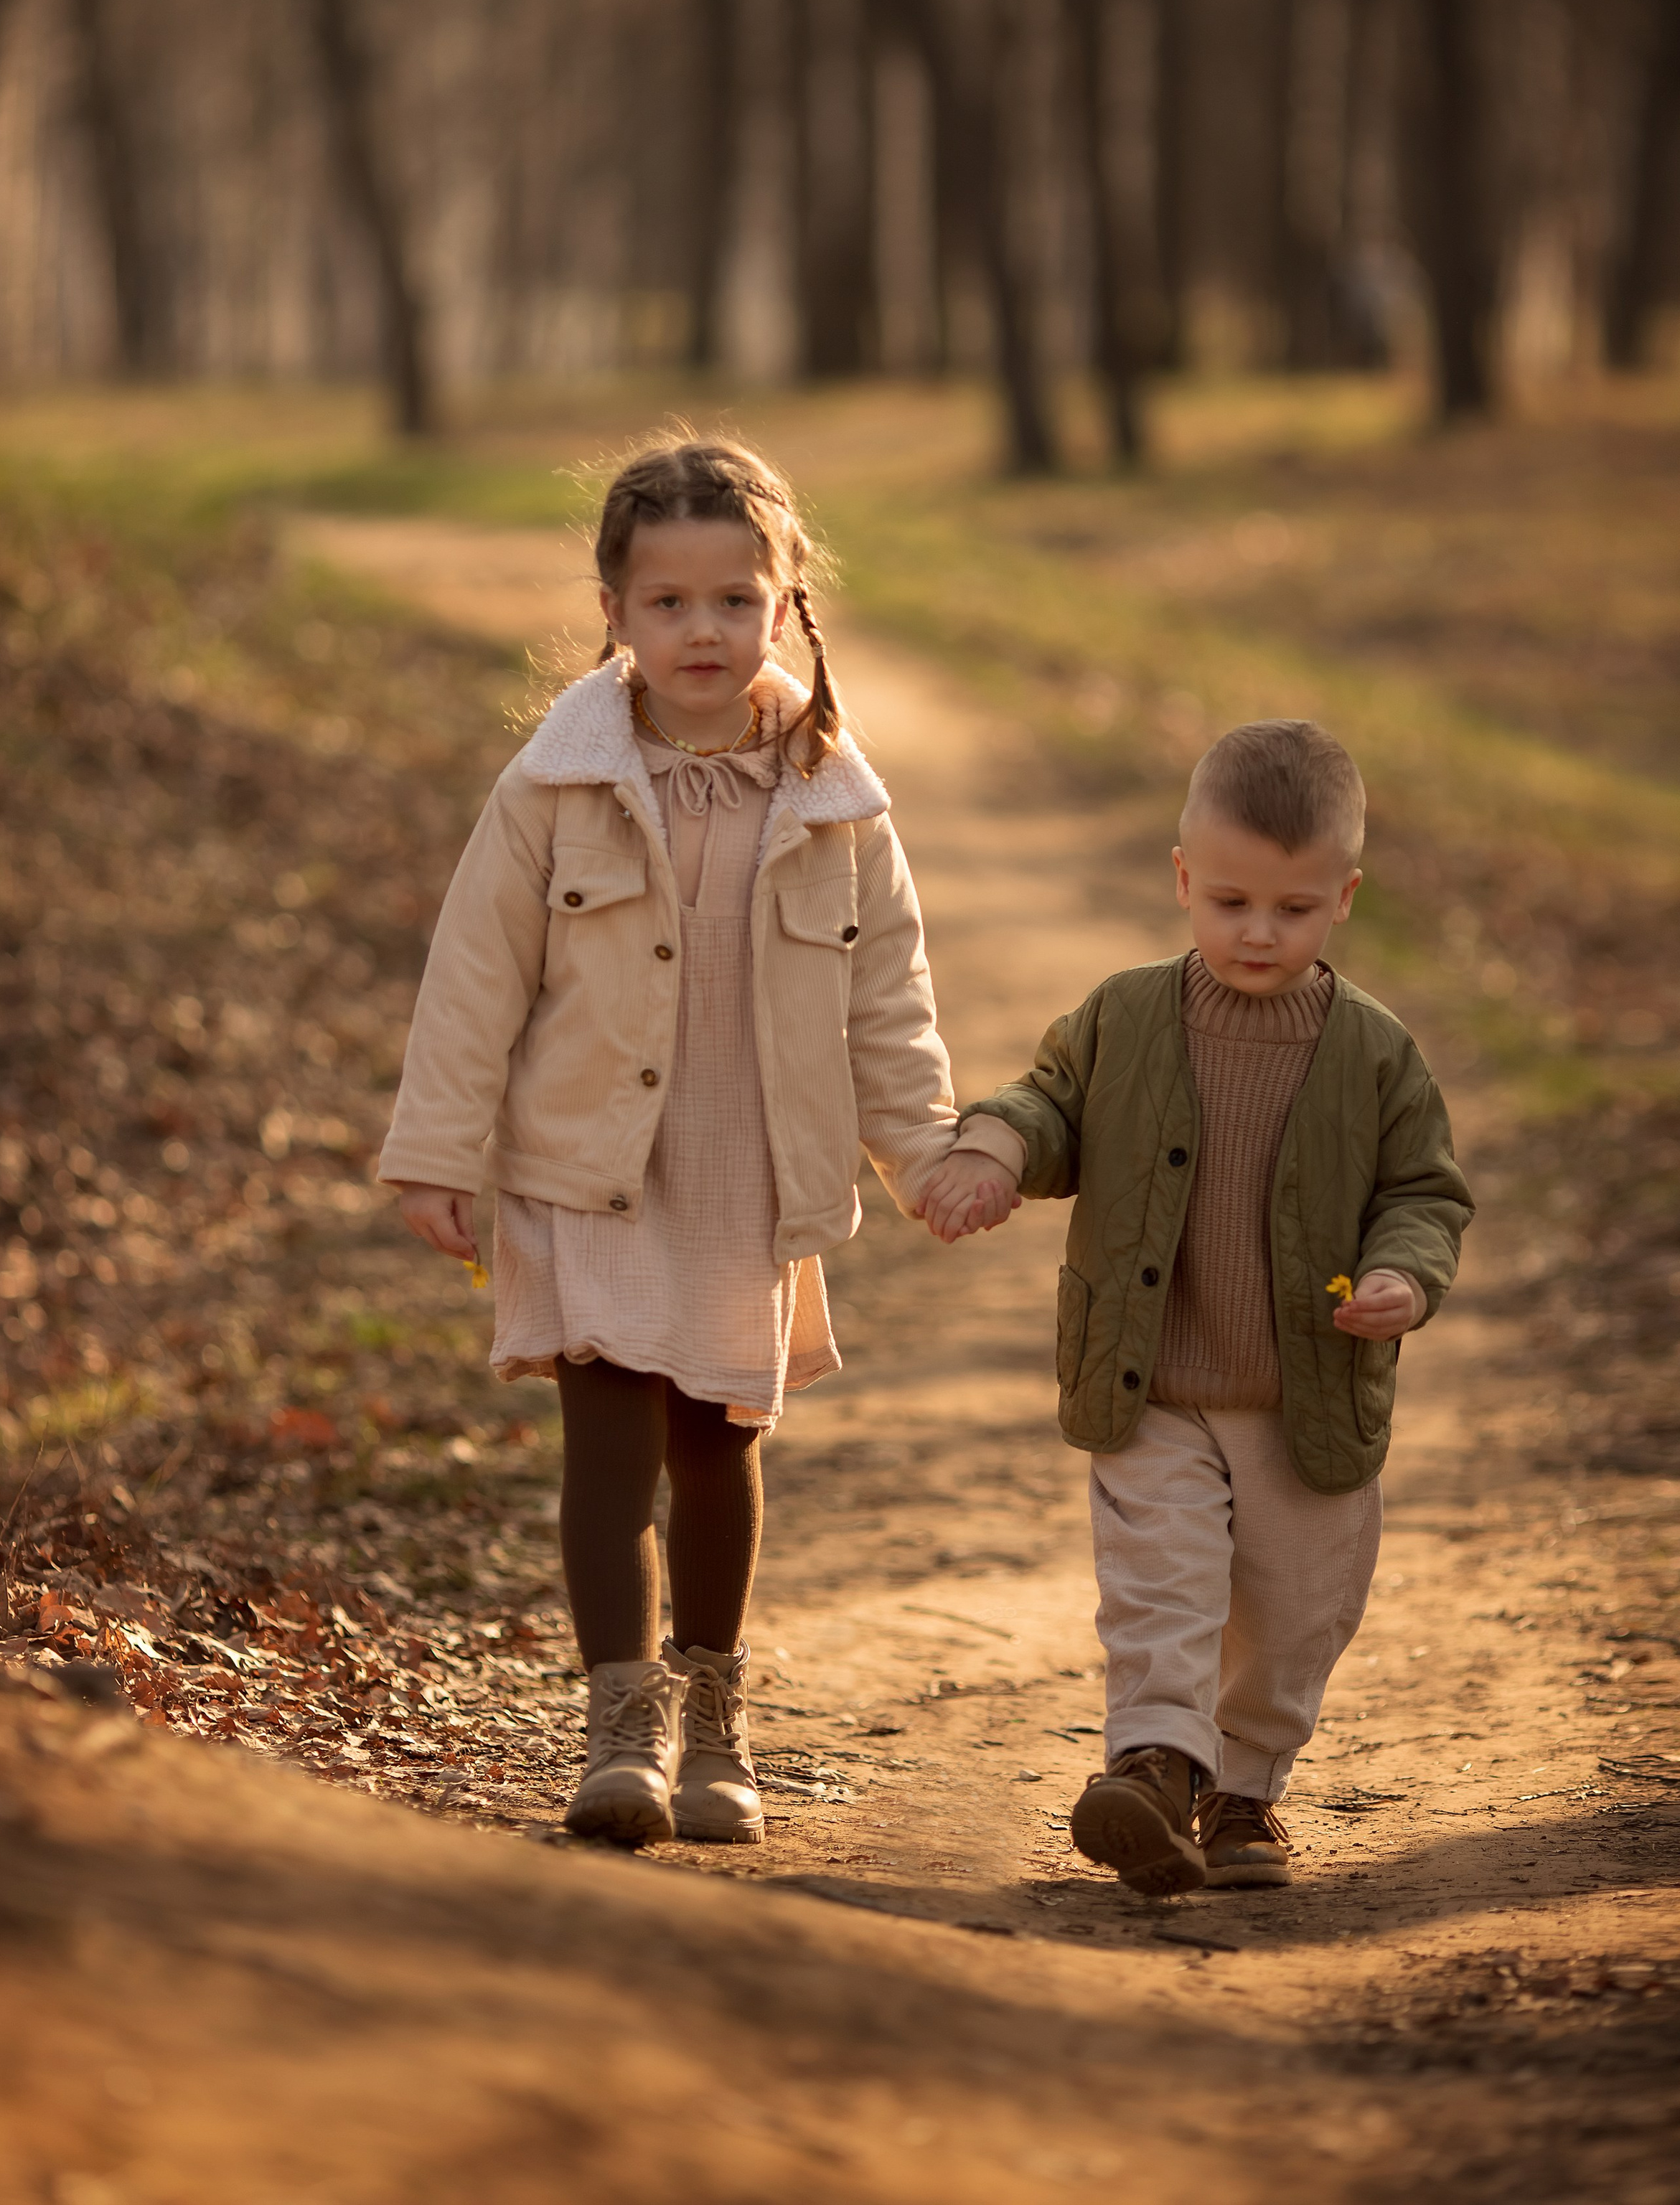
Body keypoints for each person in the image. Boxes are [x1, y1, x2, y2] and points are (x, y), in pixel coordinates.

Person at [380, 436, 959, 1850]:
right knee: (605, 1441)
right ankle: (618, 1724)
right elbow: (475, 975)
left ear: (785, 602)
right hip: (588, 1158)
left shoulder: (834, 797)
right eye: (667, 604)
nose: (701, 631)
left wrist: (925, 1151)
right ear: (614, 613)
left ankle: (714, 1716)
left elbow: (888, 997)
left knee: (715, 1440)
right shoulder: (553, 785)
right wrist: (434, 1149)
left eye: (731, 600)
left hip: (742, 1166)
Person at [921, 718, 1473, 1892]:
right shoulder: (1125, 1016)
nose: (1258, 932)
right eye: (1229, 902)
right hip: (1154, 1382)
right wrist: (992, 1152)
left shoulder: (1377, 1054)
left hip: (1303, 1398)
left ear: (1344, 899)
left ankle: (1244, 1796)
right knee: (1161, 1585)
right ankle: (1153, 1768)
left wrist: (1404, 1276)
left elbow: (1423, 1189)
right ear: (1182, 879)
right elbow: (1049, 1102)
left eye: (1293, 908)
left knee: (1291, 1617)